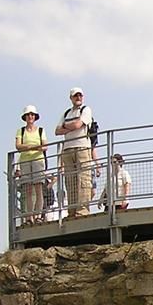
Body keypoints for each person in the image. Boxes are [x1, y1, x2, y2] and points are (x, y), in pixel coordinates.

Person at [55, 87, 98, 217]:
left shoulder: (86, 109)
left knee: (84, 180)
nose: (78, 98)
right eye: (75, 96)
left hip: (82, 147)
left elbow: (78, 125)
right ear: (71, 98)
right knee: (70, 181)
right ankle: (72, 211)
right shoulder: (66, 113)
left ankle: (82, 211)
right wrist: (72, 126)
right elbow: (57, 131)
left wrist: (66, 127)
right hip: (67, 149)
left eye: (80, 95)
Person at [15, 105, 47, 224]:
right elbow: (18, 146)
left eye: (32, 114)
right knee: (28, 190)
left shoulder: (40, 130)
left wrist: (28, 147)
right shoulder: (21, 131)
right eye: (28, 114)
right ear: (25, 117)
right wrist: (34, 147)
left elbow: (45, 146)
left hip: (38, 160)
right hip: (25, 161)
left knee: (38, 189)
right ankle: (29, 217)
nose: (30, 117)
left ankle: (38, 216)